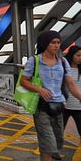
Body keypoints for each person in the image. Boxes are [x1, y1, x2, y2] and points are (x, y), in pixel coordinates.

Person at [20, 31, 81, 161]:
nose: (56, 45)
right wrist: (39, 89)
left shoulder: (63, 62)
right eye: (53, 42)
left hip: (59, 107)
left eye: (58, 42)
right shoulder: (34, 61)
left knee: (58, 141)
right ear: (44, 43)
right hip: (41, 107)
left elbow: (70, 84)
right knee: (47, 143)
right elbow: (23, 81)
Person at [64, 46, 81, 139]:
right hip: (64, 106)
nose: (80, 58)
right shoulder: (64, 69)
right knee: (58, 132)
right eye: (78, 55)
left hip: (79, 106)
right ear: (71, 55)